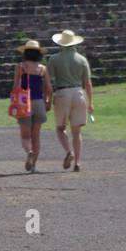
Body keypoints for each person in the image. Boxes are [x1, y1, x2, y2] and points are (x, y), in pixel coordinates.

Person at [48, 29, 93, 172]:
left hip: (62, 92)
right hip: (79, 92)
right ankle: (78, 162)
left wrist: (48, 98)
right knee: (77, 131)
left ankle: (69, 151)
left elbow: (48, 80)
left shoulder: (54, 59)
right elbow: (88, 83)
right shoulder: (81, 59)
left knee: (61, 128)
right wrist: (90, 102)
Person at [13, 39, 54, 172]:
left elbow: (15, 87)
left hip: (24, 103)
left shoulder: (20, 67)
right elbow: (49, 89)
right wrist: (48, 102)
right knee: (36, 136)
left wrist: (14, 102)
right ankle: (34, 166)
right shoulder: (42, 68)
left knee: (25, 136)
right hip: (39, 102)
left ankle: (29, 152)